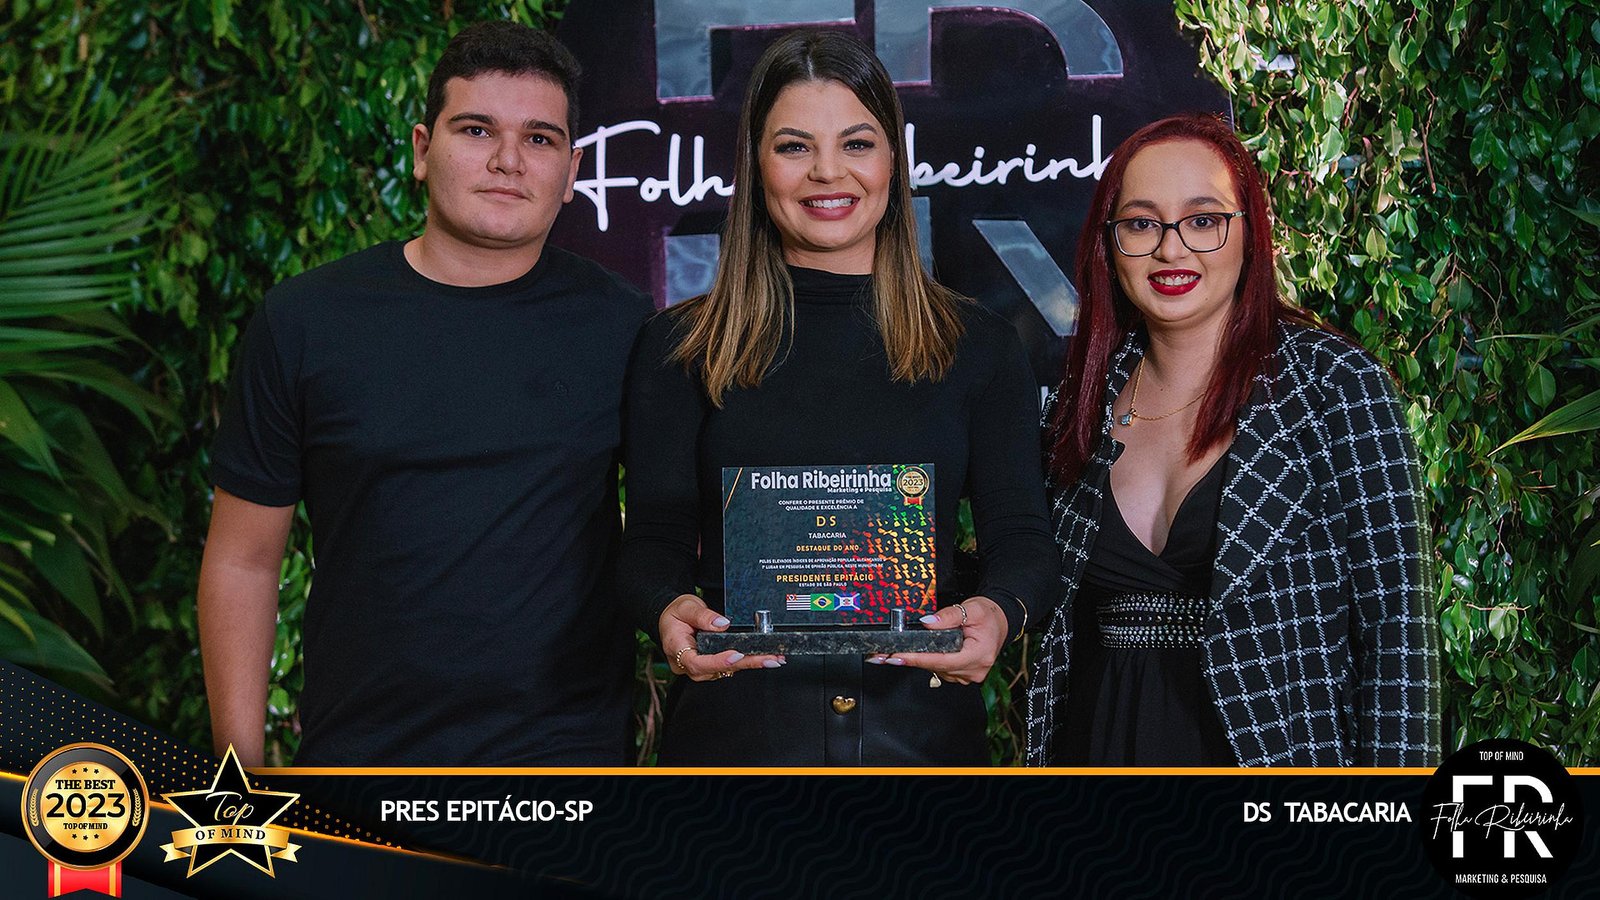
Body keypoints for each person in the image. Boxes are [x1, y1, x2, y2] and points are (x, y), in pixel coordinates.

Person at [198, 22, 652, 765]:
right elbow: (243, 561)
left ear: (572, 170)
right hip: (362, 764)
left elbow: (680, 522)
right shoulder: (306, 320)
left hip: (568, 770)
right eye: (477, 130)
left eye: (539, 139)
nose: (508, 161)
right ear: (421, 148)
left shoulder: (624, 325)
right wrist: (240, 777)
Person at [617, 30, 1056, 765]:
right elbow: (652, 542)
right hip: (735, 756)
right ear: (756, 165)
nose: (828, 171)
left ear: (892, 162)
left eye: (857, 143)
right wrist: (668, 608)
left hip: (923, 754)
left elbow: (1022, 539)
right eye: (794, 147)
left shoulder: (977, 346)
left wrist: (999, 611)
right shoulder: (682, 348)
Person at [1024, 113, 1440, 767]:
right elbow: (1035, 582)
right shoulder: (1083, 400)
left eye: (1203, 220)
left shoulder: (1335, 385)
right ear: (1108, 244)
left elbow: (1399, 633)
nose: (1171, 250)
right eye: (1142, 224)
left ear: (1249, 234)